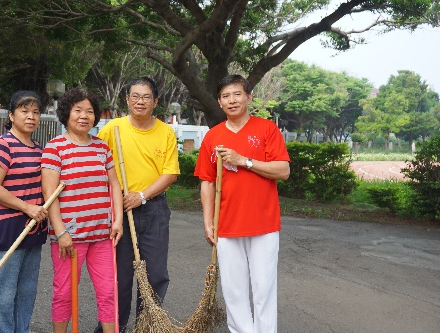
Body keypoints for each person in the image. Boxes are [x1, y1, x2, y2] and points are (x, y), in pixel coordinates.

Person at [194, 74, 290, 333]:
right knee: (234, 292)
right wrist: (207, 222)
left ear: (249, 97)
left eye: (237, 94)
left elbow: (283, 170)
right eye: (226, 96)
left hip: (264, 224)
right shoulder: (212, 137)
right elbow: (207, 182)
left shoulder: (267, 129)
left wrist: (244, 161)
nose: (232, 100)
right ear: (219, 101)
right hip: (226, 224)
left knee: (263, 289)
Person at [94, 76, 180, 333]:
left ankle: (147, 327)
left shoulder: (166, 132)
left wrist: (141, 195)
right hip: (119, 210)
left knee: (154, 275)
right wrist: (115, 196)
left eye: (146, 97)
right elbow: (97, 163)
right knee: (118, 276)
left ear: (155, 101)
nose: (140, 101)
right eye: (135, 96)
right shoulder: (113, 129)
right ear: (127, 100)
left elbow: (170, 173)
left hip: (154, 209)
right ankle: (112, 328)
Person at [41, 88, 124, 333]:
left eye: (89, 111)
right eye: (78, 110)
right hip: (69, 238)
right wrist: (61, 232)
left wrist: (117, 221)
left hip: (102, 235)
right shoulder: (55, 148)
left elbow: (114, 184)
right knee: (64, 293)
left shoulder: (101, 147)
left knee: (109, 293)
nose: (84, 116)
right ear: (66, 114)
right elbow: (50, 194)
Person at [0, 90, 49, 333]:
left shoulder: (38, 149)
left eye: (35, 112)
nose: (30, 116)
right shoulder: (2, 145)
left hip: (33, 230)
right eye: (24, 111)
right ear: (11, 115)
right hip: (7, 229)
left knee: (27, 291)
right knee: (4, 293)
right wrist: (27, 207)